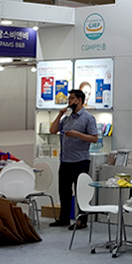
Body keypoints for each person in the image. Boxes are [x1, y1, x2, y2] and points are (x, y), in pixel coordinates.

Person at [49, 89, 99, 229]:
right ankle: (64, 218)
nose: (69, 101)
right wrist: (60, 114)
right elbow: (53, 130)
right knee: (64, 191)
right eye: (69, 99)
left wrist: (77, 134)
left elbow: (94, 138)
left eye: (71, 98)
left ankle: (81, 221)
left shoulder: (88, 118)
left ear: (79, 100)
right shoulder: (67, 118)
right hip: (65, 160)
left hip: (80, 161)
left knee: (80, 191)